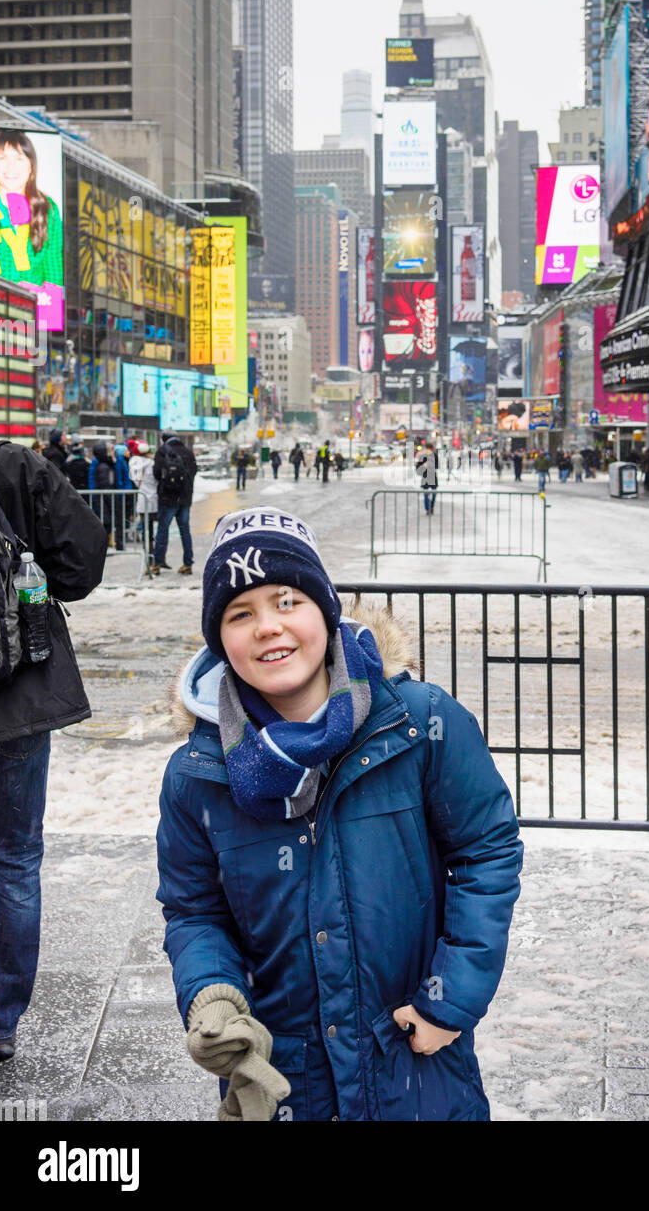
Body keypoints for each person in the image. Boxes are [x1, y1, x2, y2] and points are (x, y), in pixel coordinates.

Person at [156, 509, 523, 1120]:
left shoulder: (417, 722)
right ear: (219, 638)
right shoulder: (197, 772)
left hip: (413, 1058)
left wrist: (449, 999)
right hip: (287, 1075)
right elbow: (194, 910)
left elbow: (486, 850)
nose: (269, 628)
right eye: (240, 614)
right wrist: (212, 998)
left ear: (324, 610)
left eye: (287, 600)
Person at [0, 439, 106, 1061]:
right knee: (13, 857)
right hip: (17, 694)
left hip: (20, 699)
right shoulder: (12, 466)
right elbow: (83, 565)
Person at [0, 130, 63, 289]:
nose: (11, 166)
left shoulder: (46, 209)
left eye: (19, 158)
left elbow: (53, 273)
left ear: (31, 165)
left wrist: (50, 313)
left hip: (29, 309)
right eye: (2, 158)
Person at [151, 431, 197, 576]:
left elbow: (156, 473)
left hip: (167, 498)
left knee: (163, 530)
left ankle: (157, 563)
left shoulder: (162, 451)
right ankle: (188, 563)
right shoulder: (188, 452)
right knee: (185, 531)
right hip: (185, 498)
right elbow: (194, 471)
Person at [88, 441, 123, 552]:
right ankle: (103, 546)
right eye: (110, 449)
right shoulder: (100, 464)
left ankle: (111, 545)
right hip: (105, 497)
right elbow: (98, 481)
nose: (113, 451)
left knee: (113, 521)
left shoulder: (113, 462)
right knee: (107, 521)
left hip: (110, 496)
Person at [129, 439, 158, 561]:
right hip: (155, 501)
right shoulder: (153, 463)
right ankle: (155, 556)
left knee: (146, 532)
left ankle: (148, 556)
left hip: (142, 501)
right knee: (154, 531)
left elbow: (135, 482)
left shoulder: (135, 463)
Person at [415, 442, 438, 514]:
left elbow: (437, 466)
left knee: (434, 494)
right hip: (425, 477)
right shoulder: (422, 456)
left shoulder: (434, 455)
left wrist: (431, 465)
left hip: (433, 477)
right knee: (426, 494)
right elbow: (418, 467)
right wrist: (423, 466)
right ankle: (428, 509)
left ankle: (431, 507)